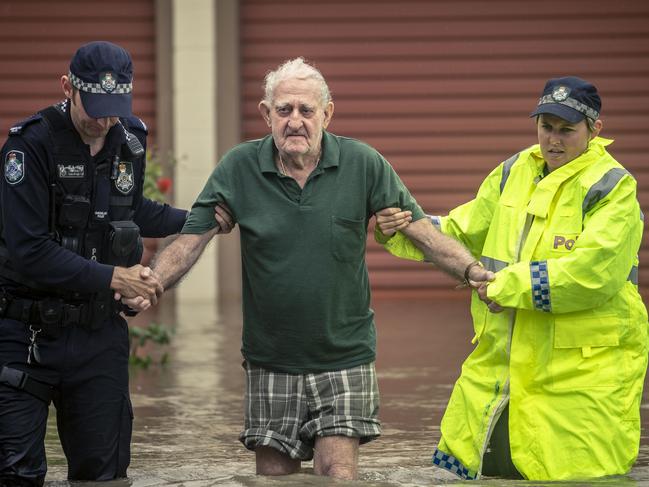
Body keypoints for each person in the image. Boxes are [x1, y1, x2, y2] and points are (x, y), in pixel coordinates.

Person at [125, 57, 493, 480]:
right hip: (270, 358)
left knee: (337, 473)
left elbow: (421, 232)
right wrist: (151, 282)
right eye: (284, 110)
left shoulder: (364, 163)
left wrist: (473, 272)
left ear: (327, 114)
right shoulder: (239, 167)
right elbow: (191, 239)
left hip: (345, 355)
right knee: (274, 477)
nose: (295, 121)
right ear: (266, 115)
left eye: (306, 111)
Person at [375, 76, 649, 480]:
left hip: (581, 376)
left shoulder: (612, 187)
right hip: (500, 365)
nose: (553, 140)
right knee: (471, 469)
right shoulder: (513, 172)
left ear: (595, 131)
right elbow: (462, 230)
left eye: (567, 131)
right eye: (546, 127)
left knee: (580, 474)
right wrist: (407, 226)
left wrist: (506, 285)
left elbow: (594, 273)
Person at [0, 41, 233, 486]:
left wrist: (200, 218)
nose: (104, 121)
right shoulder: (28, 148)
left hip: (98, 336)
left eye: (114, 108)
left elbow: (130, 211)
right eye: (95, 108)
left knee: (104, 477)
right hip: (24, 334)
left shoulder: (127, 139)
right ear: (68, 87)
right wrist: (115, 276)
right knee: (17, 474)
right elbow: (29, 250)